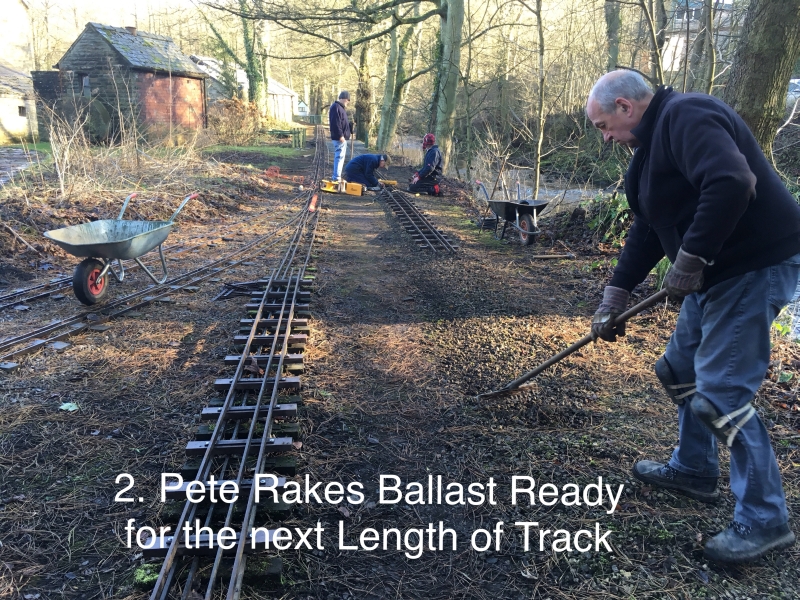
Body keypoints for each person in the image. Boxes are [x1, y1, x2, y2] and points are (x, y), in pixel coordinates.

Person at [586, 69, 800, 563]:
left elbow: (731, 181)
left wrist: (690, 258)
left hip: (753, 263)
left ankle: (765, 520)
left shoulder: (687, 114)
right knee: (678, 370)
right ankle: (695, 469)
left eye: (604, 126)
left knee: (721, 395)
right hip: (714, 271)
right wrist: (614, 296)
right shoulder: (649, 151)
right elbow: (647, 226)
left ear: (625, 106)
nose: (606, 137)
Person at [329, 91, 351, 181]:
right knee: (339, 157)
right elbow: (336, 123)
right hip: (339, 138)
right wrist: (340, 135)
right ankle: (336, 177)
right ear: (344, 98)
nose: (348, 102)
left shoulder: (340, 108)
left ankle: (337, 176)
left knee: (340, 157)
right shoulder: (336, 107)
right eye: (347, 100)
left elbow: (342, 122)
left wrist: (349, 127)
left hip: (341, 138)